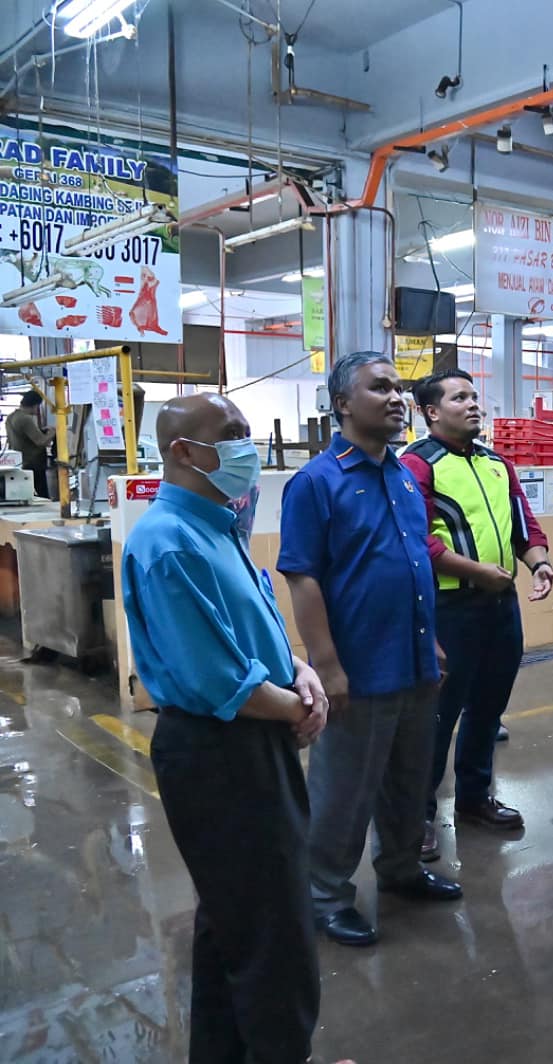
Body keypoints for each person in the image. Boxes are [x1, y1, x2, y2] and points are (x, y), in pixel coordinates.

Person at [123, 393, 328, 1063]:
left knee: (231, 924)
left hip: (253, 738)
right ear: (184, 451)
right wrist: (302, 709)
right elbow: (219, 682)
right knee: (275, 938)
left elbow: (252, 633)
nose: (247, 446)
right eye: (232, 433)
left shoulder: (219, 526)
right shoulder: (168, 542)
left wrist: (300, 670)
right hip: (218, 752)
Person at [279, 352, 460, 949]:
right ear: (342, 404)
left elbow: (413, 565)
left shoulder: (403, 475)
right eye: (379, 388)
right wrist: (327, 665)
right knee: (344, 791)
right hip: (358, 669)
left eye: (398, 388)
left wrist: (431, 641)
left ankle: (402, 869)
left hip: (414, 662)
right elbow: (303, 577)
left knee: (410, 781)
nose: (396, 398)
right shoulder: (316, 482)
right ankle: (326, 895)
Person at [400, 369, 553, 860]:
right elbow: (417, 541)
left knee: (488, 709)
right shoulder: (416, 465)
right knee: (437, 717)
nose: (473, 404)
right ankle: (417, 816)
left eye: (473, 396)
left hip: (500, 606)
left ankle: (474, 799)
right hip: (450, 609)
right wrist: (475, 572)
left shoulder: (496, 463)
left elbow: (523, 524)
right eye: (459, 398)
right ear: (431, 412)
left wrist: (539, 562)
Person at [6, 390, 53, 498]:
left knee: (24, 495)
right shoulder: (25, 419)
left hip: (20, 463)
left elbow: (21, 436)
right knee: (43, 496)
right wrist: (52, 432)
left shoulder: (11, 417)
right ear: (35, 405)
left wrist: (40, 431)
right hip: (33, 464)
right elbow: (41, 442)